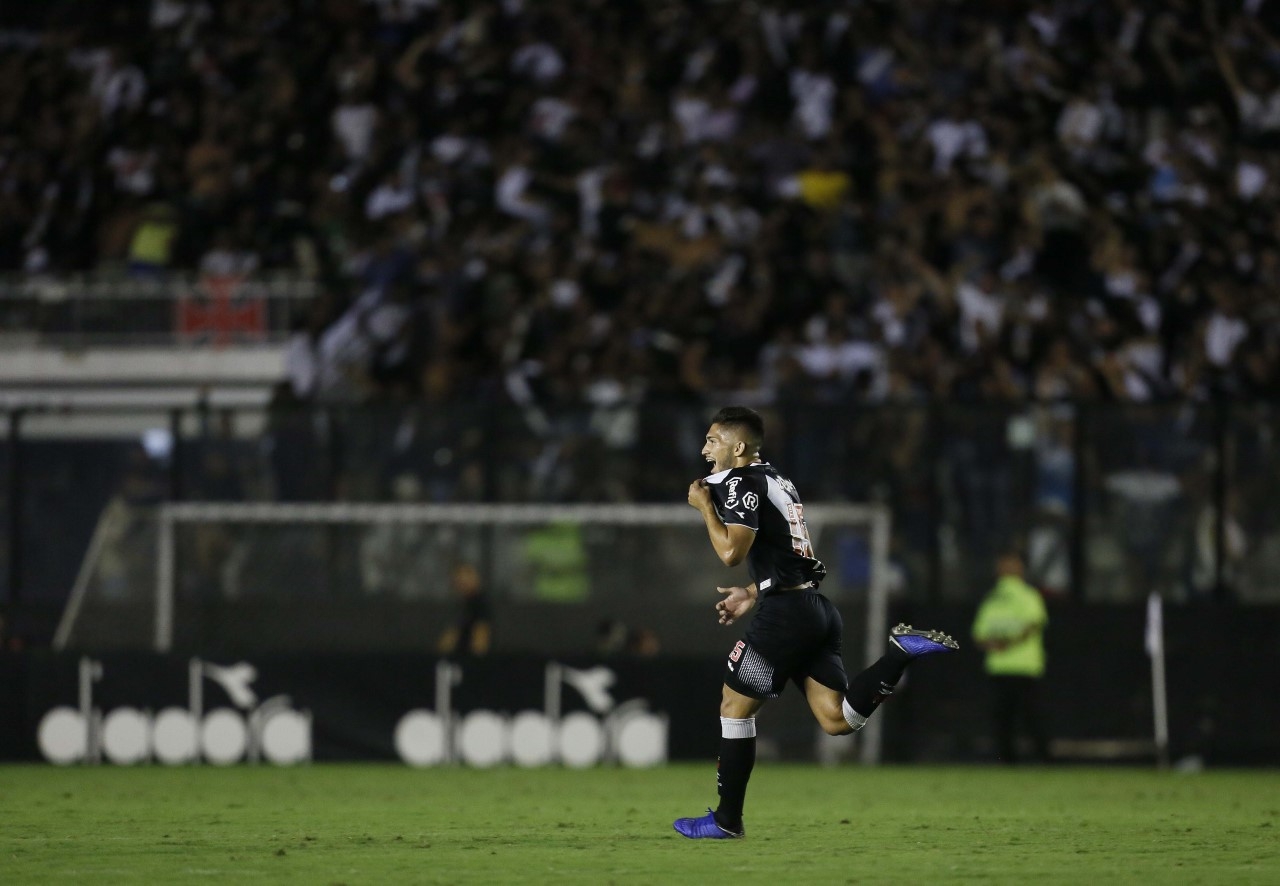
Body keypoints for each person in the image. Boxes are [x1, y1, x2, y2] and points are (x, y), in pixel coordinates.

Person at [673, 406, 957, 840]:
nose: (704, 449)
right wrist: (752, 592)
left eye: (712, 440)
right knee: (838, 720)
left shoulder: (742, 482)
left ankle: (727, 820)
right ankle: (899, 655)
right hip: (814, 608)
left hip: (785, 617)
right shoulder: (778, 480)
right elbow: (792, 556)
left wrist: (705, 509)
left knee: (733, 708)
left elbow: (731, 553)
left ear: (739, 447)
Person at [971, 550, 1050, 763]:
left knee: (1029, 718)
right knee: (1005, 719)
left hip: (1025, 667)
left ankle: (1042, 759)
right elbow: (979, 635)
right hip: (1000, 668)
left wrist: (1004, 644)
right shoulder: (993, 599)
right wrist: (996, 645)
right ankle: (1008, 761)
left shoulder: (1025, 595)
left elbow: (1033, 625)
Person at [436, 563, 493, 656]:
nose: (462, 581)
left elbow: (481, 637)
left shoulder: (480, 603)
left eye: (466, 576)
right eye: (458, 579)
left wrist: (476, 662)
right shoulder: (461, 606)